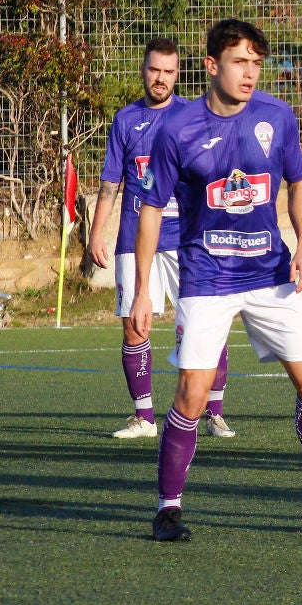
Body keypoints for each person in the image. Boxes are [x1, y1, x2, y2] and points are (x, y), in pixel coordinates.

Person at [133, 19, 302, 542]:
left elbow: (300, 182)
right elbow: (151, 208)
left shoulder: (276, 116)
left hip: (269, 272)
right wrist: (141, 291)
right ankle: (168, 509)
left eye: (256, 63)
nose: (249, 73)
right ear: (211, 65)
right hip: (206, 275)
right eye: (239, 61)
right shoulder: (176, 130)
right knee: (192, 395)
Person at [90, 38, 234, 440]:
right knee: (135, 326)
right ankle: (144, 418)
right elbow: (110, 182)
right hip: (134, 239)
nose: (161, 78)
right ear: (144, 69)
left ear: (177, 74)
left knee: (205, 325)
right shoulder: (125, 120)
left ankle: (214, 413)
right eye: (154, 69)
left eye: (169, 71)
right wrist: (97, 232)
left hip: (187, 240)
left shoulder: (194, 116)